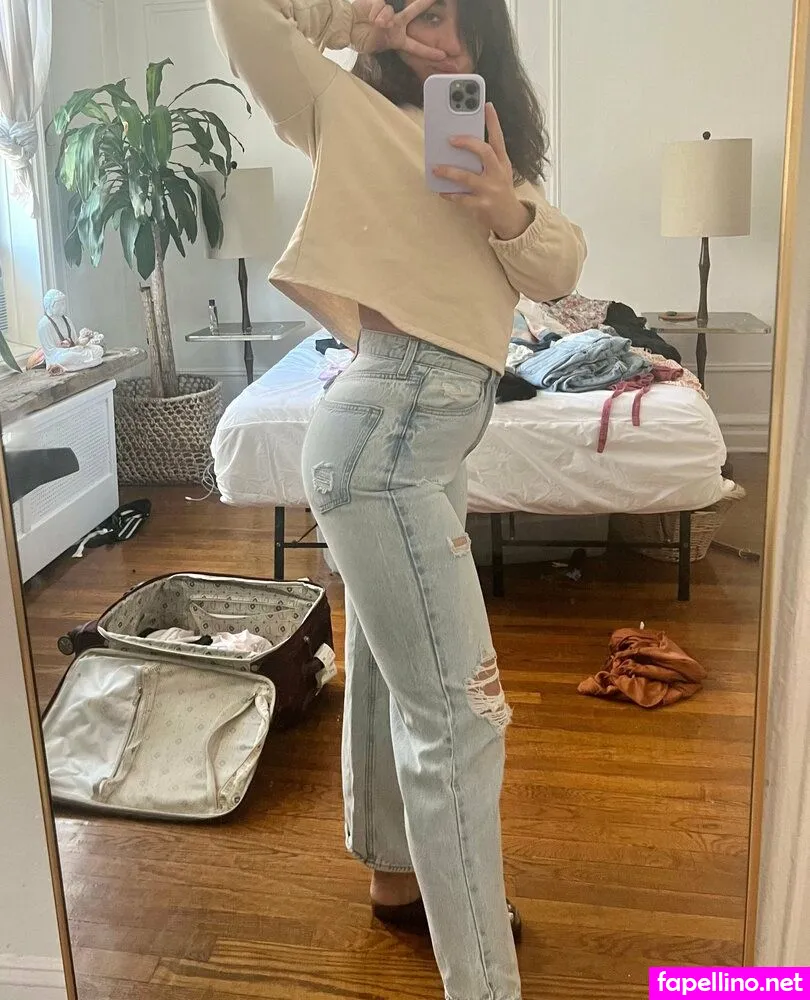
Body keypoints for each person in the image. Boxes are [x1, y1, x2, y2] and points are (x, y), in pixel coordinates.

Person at [208, 1, 586, 997]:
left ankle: (394, 875)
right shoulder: (340, 105)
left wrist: (502, 203)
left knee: (385, 667)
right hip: (384, 441)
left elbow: (560, 269)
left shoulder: (489, 155)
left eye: (456, 19)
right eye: (419, 14)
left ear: (487, 38)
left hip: (433, 442)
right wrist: (359, 25)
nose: (439, 38)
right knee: (460, 719)